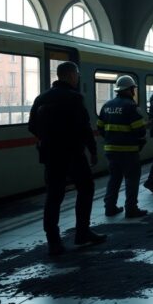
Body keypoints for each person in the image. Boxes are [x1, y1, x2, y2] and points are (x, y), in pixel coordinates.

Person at [28, 61, 106, 255]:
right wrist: (93, 150)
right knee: (86, 189)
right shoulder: (74, 98)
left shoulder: (42, 98)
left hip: (50, 154)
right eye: (77, 74)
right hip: (73, 153)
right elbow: (84, 127)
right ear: (71, 75)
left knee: (53, 196)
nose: (78, 77)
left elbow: (31, 126)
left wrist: (47, 137)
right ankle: (82, 232)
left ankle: (53, 242)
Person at [97, 75, 148, 218]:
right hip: (129, 151)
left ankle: (110, 207)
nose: (134, 92)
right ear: (129, 89)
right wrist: (139, 141)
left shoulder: (107, 106)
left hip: (111, 150)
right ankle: (131, 209)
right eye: (133, 89)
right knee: (131, 179)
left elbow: (100, 127)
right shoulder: (130, 106)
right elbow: (140, 130)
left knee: (114, 178)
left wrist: (110, 139)